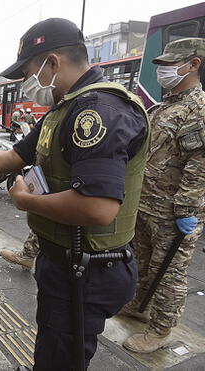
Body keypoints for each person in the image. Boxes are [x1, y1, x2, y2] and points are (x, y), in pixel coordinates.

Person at [0, 18, 149, 369]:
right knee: (53, 346)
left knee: (62, 355)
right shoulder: (64, 107)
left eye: (28, 72)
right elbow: (15, 156)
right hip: (63, 260)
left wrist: (26, 201)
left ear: (52, 63)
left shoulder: (97, 111)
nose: (27, 83)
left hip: (88, 269)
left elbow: (98, 208)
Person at [119, 38, 205, 354]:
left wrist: (186, 208)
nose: (164, 70)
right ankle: (139, 305)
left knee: (168, 272)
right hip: (147, 203)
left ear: (193, 64)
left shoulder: (198, 109)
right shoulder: (166, 105)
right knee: (141, 261)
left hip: (174, 211)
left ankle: (160, 330)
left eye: (170, 64)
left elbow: (199, 163)